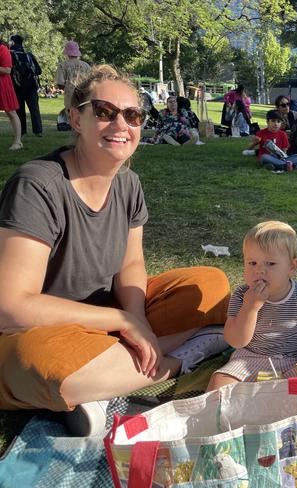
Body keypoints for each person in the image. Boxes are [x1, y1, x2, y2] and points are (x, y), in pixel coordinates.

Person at [0, 64, 231, 436]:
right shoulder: (37, 185)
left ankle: (109, 376)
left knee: (210, 284)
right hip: (33, 332)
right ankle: (176, 359)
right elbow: (12, 308)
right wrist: (122, 323)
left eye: (133, 115)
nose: (120, 124)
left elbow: (132, 263)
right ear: (76, 118)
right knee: (42, 361)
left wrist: (136, 318)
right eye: (104, 112)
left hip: (103, 318)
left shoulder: (128, 183)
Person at [207, 221, 297, 391]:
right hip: (248, 358)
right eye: (252, 263)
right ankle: (226, 416)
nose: (259, 270)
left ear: (292, 267)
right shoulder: (241, 295)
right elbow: (236, 341)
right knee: (219, 382)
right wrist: (250, 308)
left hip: (294, 361)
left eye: (270, 264)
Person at [9, 35, 42, 138]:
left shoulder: (10, 54)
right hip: (31, 86)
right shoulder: (29, 55)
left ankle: (22, 131)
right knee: (34, 109)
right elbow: (38, 70)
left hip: (17, 86)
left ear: (13, 42)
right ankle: (38, 131)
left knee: (20, 109)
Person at [55, 41, 91, 114]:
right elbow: (91, 81)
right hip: (84, 95)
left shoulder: (62, 65)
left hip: (70, 96)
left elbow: (60, 83)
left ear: (67, 53)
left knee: (70, 116)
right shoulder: (86, 65)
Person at [0, 33, 22, 150]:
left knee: (11, 113)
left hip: (3, 86)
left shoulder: (3, 49)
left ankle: (18, 142)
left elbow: (7, 70)